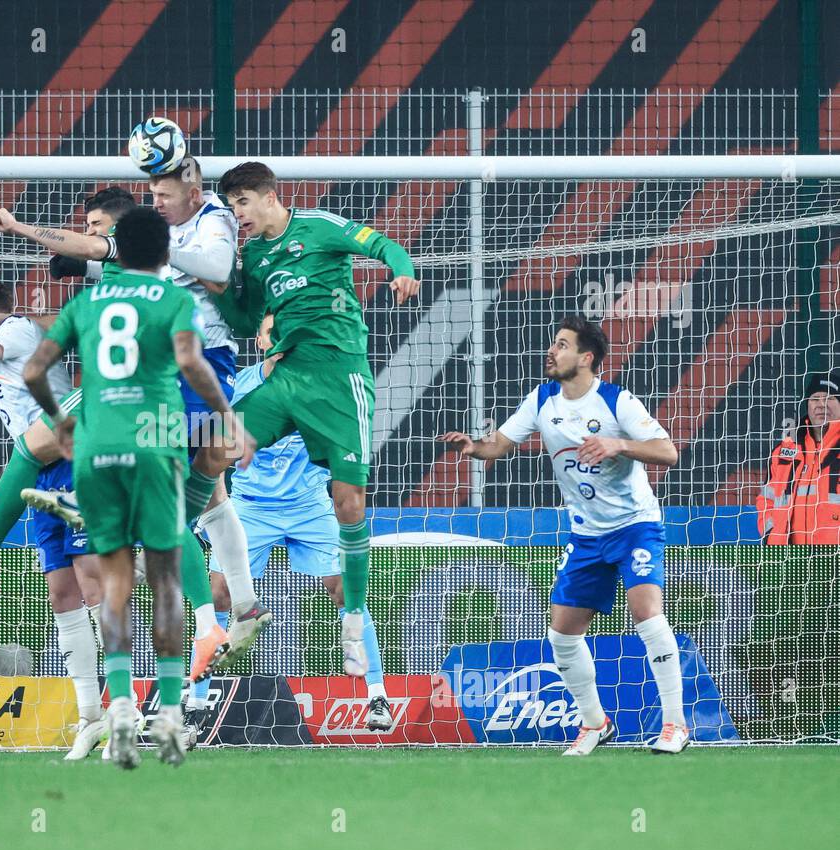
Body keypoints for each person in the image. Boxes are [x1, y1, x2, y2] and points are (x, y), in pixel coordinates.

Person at [0, 157, 273, 673]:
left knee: (36, 445)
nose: (89, 233)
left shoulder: (202, 230)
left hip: (165, 385)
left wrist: (19, 227)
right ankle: (242, 608)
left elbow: (93, 252)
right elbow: (89, 259)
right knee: (207, 500)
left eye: (98, 226)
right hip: (207, 379)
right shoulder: (175, 257)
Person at [22, 206, 255, 769]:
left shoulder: (86, 303)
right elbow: (189, 361)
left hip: (97, 448)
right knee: (167, 576)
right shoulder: (174, 299)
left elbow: (33, 372)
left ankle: (121, 705)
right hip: (156, 443)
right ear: (164, 254)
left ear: (117, 252)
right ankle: (170, 710)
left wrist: (63, 423)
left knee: (115, 578)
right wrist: (227, 414)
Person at [438, 316, 691, 755]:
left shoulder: (617, 401)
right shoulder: (541, 399)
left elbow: (667, 451)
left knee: (647, 614)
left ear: (586, 358)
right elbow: (498, 446)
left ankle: (675, 724)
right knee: (562, 635)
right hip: (587, 533)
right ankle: (594, 723)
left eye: (561, 345)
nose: (551, 352)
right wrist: (474, 447)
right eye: (553, 344)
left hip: (635, 526)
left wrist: (619, 445)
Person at [208, 161, 420, 672]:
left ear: (268, 196)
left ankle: (353, 615)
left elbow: (382, 245)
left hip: (338, 379)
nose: (238, 215)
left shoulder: (320, 227)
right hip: (285, 381)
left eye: (242, 203)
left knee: (349, 503)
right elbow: (244, 318)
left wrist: (403, 269)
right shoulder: (254, 255)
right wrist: (217, 286)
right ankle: (168, 540)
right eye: (231, 206)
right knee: (212, 445)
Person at [0, 265, 109, 758]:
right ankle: (89, 715)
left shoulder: (15, 329)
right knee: (62, 594)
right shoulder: (5, 334)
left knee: (93, 585)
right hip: (43, 473)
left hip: (69, 461)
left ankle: (125, 705)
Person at [198, 351, 391, 741]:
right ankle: (196, 705)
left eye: (284, 335)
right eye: (270, 335)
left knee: (345, 590)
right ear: (261, 340)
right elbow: (209, 449)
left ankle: (377, 696)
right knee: (217, 596)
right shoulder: (238, 387)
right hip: (250, 508)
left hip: (309, 505)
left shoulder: (316, 386)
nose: (278, 343)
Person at [756, 371, 840, 544]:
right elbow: (766, 499)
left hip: (834, 558)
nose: (821, 404)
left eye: (829, 398)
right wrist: (771, 533)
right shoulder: (783, 452)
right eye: (815, 398)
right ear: (807, 405)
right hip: (788, 558)